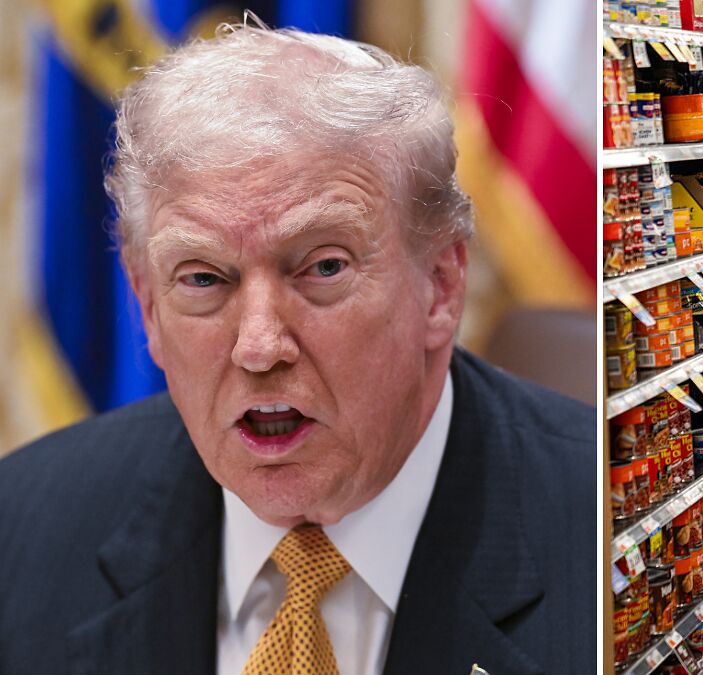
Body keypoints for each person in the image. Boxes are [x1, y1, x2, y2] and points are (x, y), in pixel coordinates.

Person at [0, 25, 595, 675]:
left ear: (441, 285)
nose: (259, 347)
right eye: (203, 278)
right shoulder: (25, 527)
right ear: (147, 306)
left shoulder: (630, 541)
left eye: (322, 268)